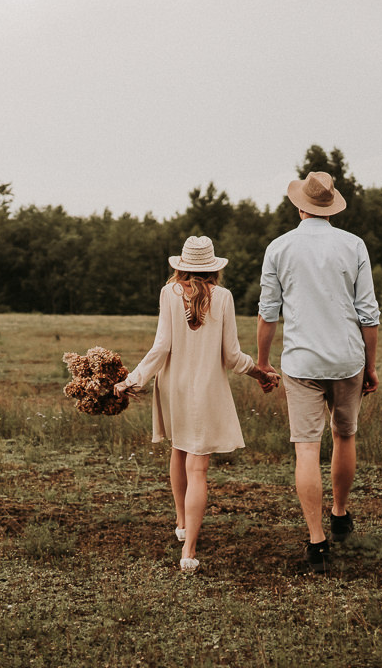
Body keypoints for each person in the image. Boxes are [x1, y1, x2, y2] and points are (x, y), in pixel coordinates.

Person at [116, 235, 278, 572]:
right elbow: (232, 356)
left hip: (172, 387)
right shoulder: (223, 298)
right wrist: (259, 372)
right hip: (205, 391)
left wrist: (133, 379)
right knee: (198, 467)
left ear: (181, 267)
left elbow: (161, 347)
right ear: (213, 269)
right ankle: (189, 550)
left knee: (179, 449)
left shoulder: (169, 294)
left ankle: (181, 523)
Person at [256, 170, 380, 573]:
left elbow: (268, 314)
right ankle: (340, 514)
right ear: (331, 206)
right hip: (347, 359)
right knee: (345, 435)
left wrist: (262, 361)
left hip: (302, 362)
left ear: (299, 205)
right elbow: (369, 315)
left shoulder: (279, 248)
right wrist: (371, 367)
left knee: (306, 448)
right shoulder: (354, 245)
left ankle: (316, 540)